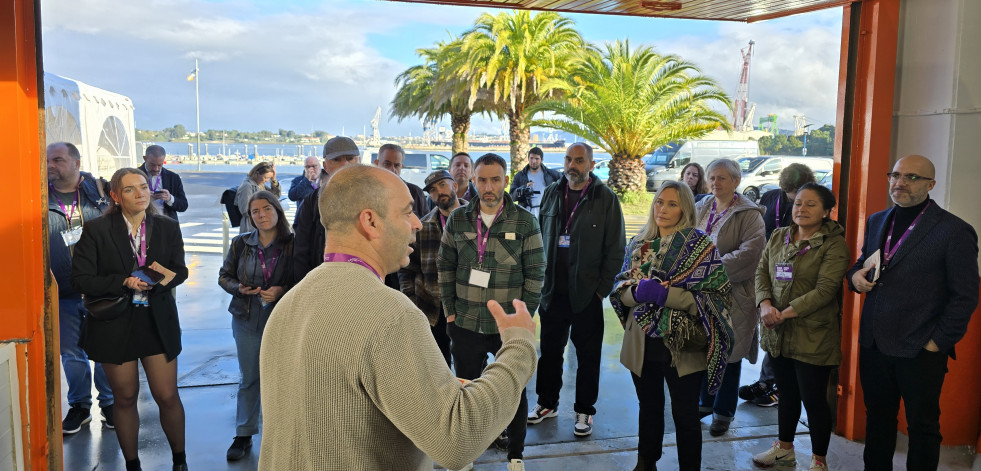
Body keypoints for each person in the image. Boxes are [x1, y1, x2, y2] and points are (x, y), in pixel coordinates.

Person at [258, 164, 538, 471]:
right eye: (406, 212)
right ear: (370, 222)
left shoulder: (289, 305)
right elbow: (458, 441)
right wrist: (518, 346)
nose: (418, 222)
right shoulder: (391, 315)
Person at [848, 155, 979, 471]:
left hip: (920, 348)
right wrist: (855, 278)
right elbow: (863, 263)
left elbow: (966, 296)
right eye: (895, 174)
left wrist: (937, 342)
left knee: (922, 428)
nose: (899, 182)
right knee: (878, 421)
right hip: (875, 343)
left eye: (911, 177)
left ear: (931, 184)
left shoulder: (954, 230)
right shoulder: (878, 220)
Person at [71, 168, 189, 471]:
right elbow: (81, 279)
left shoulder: (166, 227)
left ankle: (180, 461)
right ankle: (133, 465)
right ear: (114, 195)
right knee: (124, 398)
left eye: (143, 187)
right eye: (130, 190)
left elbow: (180, 270)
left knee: (167, 395)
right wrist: (124, 281)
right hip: (114, 324)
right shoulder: (97, 229)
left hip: (156, 321)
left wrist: (157, 281)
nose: (140, 194)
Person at [610, 180, 733, 471]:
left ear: (685, 209)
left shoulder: (701, 248)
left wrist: (667, 295)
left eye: (672, 204)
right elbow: (620, 289)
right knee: (648, 408)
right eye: (659, 202)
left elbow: (715, 297)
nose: (662, 209)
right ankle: (645, 462)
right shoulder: (639, 244)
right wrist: (637, 293)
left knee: (686, 415)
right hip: (642, 342)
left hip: (683, 344)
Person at [437, 153, 546, 471]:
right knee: (466, 390)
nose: (488, 186)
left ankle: (516, 454)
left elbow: (536, 273)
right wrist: (450, 313)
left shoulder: (525, 221)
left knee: (515, 389)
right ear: (472, 179)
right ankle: (468, 452)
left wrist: (522, 322)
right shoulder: (458, 219)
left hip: (508, 328)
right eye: (482, 179)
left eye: (495, 179)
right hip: (466, 321)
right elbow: (445, 266)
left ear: (505, 180)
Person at [527, 143, 625, 437]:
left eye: (579, 160)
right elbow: (539, 238)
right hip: (553, 290)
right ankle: (547, 403)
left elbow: (616, 248)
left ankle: (584, 410)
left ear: (591, 164)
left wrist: (601, 290)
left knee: (588, 355)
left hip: (586, 295)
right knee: (550, 352)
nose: (572, 165)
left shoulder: (605, 199)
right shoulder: (552, 193)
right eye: (569, 159)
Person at [751, 183, 850, 471]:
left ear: (826, 211)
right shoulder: (780, 236)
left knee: (814, 399)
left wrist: (784, 313)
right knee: (787, 395)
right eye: (798, 204)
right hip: (777, 331)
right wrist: (766, 305)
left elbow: (826, 289)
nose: (802, 209)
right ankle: (784, 450)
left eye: (811, 205)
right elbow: (761, 271)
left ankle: (819, 460)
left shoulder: (833, 244)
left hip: (813, 334)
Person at [218, 191, 294, 461]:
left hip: (283, 318)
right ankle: (244, 433)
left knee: (284, 378)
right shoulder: (241, 244)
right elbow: (223, 276)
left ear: (277, 210)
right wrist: (238, 287)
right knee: (249, 377)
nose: (261, 215)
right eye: (255, 212)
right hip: (246, 318)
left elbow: (305, 279)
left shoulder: (293, 244)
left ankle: (284, 433)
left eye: (266, 209)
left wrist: (282, 290)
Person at [693, 158, 765, 436]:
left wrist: (708, 269)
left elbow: (751, 253)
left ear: (736, 181)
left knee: (730, 353)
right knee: (704, 349)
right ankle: (705, 402)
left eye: (722, 178)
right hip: (700, 292)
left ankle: (724, 412)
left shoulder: (749, 213)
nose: (715, 183)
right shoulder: (702, 207)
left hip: (735, 294)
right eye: (712, 177)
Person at [46, 142, 115, 434]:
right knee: (71, 354)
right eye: (47, 160)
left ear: (76, 162)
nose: (51, 165)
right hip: (61, 290)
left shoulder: (99, 191)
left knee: (105, 349)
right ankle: (80, 406)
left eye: (58, 160)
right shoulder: (38, 197)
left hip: (100, 288)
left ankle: (109, 403)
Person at [739, 163, 816, 407]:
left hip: (795, 275)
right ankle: (767, 380)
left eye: (797, 193)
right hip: (767, 269)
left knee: (783, 327)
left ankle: (775, 385)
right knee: (769, 327)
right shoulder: (772, 196)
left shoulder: (811, 200)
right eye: (790, 194)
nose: (795, 199)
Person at [398, 170, 466, 367]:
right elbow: (407, 269)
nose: (439, 192)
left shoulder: (478, 220)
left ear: (455, 185)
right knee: (438, 366)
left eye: (443, 185)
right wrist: (413, 302)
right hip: (433, 309)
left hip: (468, 305)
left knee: (470, 365)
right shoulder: (423, 226)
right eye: (433, 190)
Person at [292, 136, 360, 281]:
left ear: (358, 161)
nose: (345, 164)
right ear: (325, 165)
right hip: (322, 281)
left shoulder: (376, 197)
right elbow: (300, 252)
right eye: (337, 160)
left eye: (350, 158)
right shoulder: (312, 202)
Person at [374, 143, 430, 217]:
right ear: (376, 163)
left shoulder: (415, 193)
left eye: (397, 165)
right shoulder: (366, 191)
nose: (392, 169)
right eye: (387, 164)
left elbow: (427, 224)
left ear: (401, 166)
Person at [138, 145, 188, 222]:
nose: (156, 169)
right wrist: (144, 198)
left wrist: (170, 199)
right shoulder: (133, 176)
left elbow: (183, 206)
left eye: (159, 165)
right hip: (141, 224)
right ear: (145, 159)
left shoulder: (173, 178)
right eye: (152, 165)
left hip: (167, 225)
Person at [509, 147, 560, 217]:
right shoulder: (520, 176)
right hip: (525, 214)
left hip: (546, 213)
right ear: (528, 159)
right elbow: (511, 197)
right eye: (531, 158)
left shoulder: (551, 174)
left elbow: (565, 182)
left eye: (537, 159)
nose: (533, 161)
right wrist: (524, 188)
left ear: (542, 160)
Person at [235, 162, 280, 233]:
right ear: (257, 174)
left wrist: (274, 180)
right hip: (251, 226)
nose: (267, 180)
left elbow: (275, 196)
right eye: (266, 177)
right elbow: (245, 210)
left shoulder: (260, 184)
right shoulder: (247, 186)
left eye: (269, 178)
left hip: (260, 225)